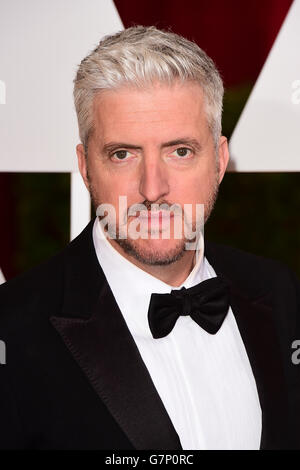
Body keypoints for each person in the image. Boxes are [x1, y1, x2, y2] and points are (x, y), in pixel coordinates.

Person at [0, 25, 299, 450]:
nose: (152, 188)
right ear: (86, 168)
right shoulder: (13, 329)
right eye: (123, 154)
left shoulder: (280, 293)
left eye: (180, 151)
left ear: (219, 160)